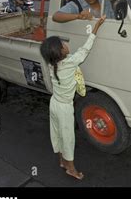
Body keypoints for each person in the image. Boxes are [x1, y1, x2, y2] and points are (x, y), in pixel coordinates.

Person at [40, 15, 107, 180]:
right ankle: (71, 168)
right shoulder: (70, 63)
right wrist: (97, 26)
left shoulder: (52, 64)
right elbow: (86, 48)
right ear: (61, 51)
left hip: (54, 103)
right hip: (63, 108)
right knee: (68, 138)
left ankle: (62, 161)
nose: (66, 44)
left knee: (57, 133)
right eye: (63, 44)